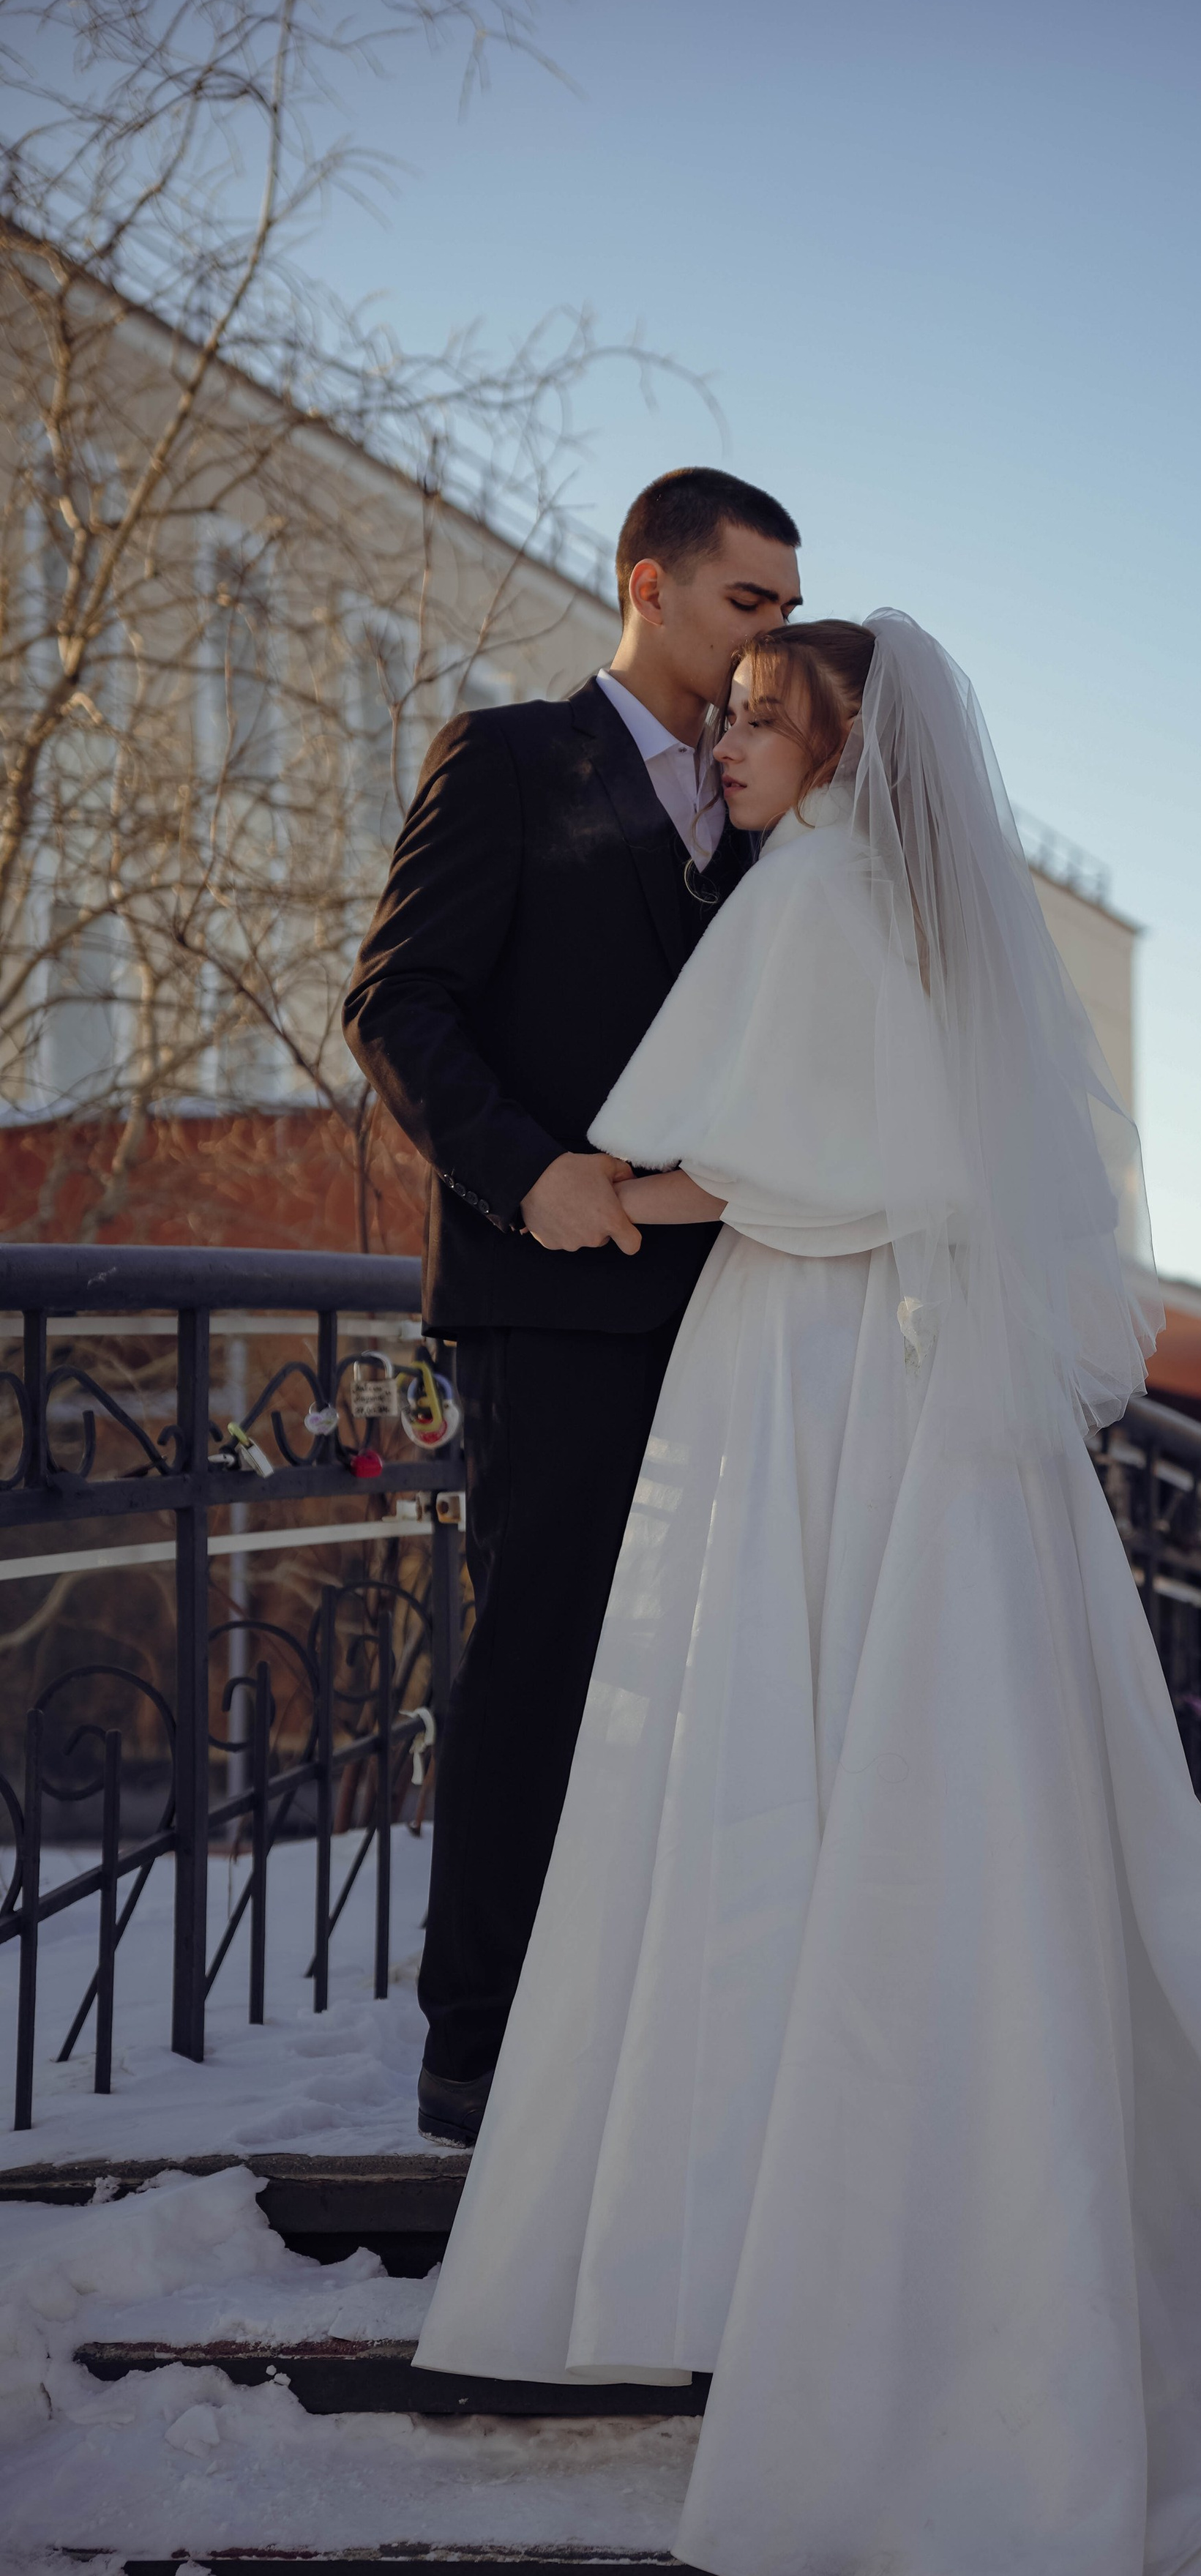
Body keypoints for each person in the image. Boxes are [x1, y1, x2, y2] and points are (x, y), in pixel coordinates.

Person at [414, 611, 1201, 2576]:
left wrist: (606, 1191)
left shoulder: (814, 897)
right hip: (885, 1374)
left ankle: (774, 2221)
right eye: (720, 714)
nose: (725, 745)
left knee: (791, 1743)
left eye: (756, 719)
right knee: (899, 1766)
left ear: (837, 742)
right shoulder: (887, 897)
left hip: (818, 1370)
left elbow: (797, 1163)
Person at [343, 467, 802, 2146]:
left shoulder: (777, 804)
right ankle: (477, 2044)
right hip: (553, 1301)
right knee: (542, 1660)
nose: (772, 637)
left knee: (719, 1673)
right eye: (747, 602)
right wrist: (524, 1173)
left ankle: (667, 2019)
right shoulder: (512, 759)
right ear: (648, 583)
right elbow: (397, 997)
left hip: (744, 1304)